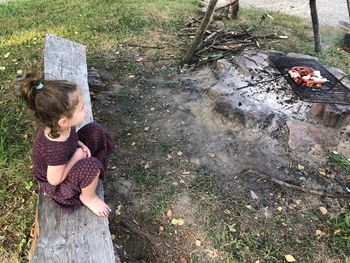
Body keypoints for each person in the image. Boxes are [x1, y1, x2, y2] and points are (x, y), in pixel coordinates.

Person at [19, 73, 115, 217]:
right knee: (92, 165)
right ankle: (88, 197)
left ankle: (90, 178)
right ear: (63, 121)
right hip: (57, 184)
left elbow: (72, 138)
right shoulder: (54, 149)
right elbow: (54, 180)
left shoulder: (59, 125)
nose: (85, 109)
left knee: (95, 129)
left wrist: (80, 143)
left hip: (66, 158)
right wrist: (77, 156)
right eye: (81, 108)